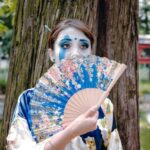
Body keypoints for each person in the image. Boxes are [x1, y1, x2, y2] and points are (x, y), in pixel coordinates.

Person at [7, 19, 123, 150]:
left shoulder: (103, 105)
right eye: (66, 45)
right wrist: (71, 132)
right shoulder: (28, 100)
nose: (76, 53)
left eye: (84, 46)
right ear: (51, 54)